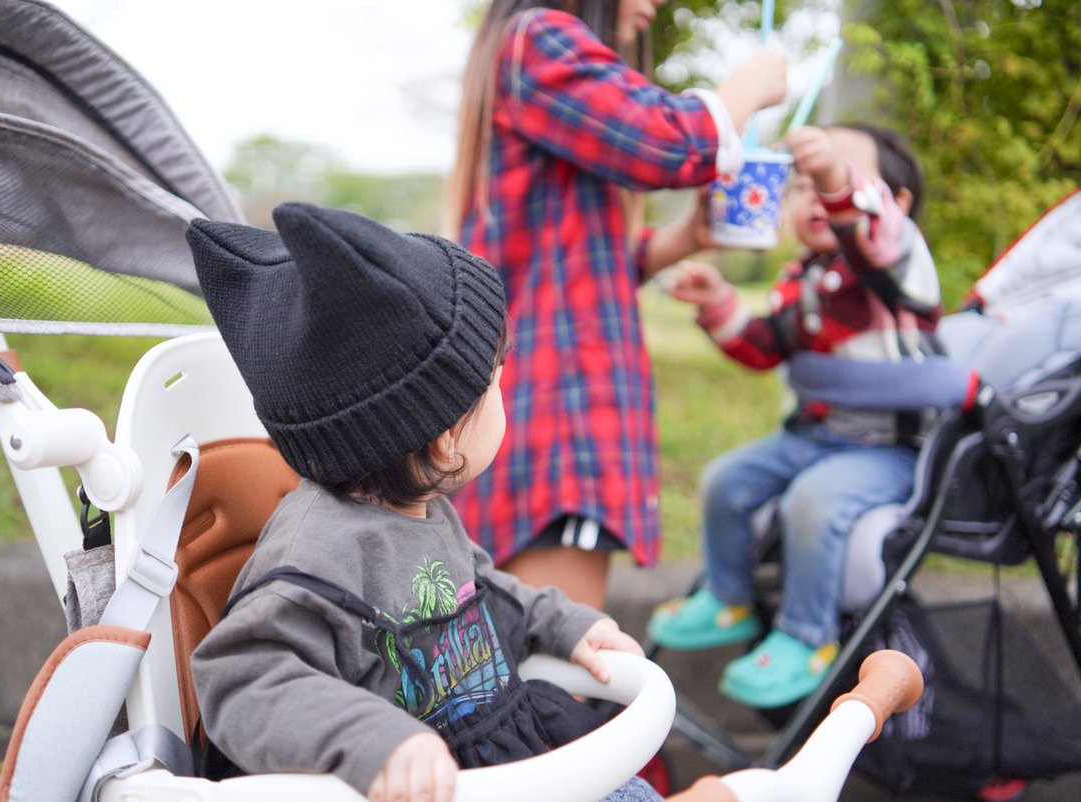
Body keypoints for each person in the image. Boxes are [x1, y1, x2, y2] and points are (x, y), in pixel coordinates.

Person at [187, 203, 660, 802]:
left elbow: (478, 591)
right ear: (445, 439)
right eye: (497, 380)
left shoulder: (419, 507)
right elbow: (242, 680)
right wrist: (370, 739)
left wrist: (562, 624)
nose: (505, 392)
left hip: (502, 759)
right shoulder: (318, 556)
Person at [445, 0, 789, 609]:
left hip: (534, 399)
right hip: (562, 416)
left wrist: (684, 239)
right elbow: (664, 139)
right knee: (560, 653)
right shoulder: (540, 38)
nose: (653, 4)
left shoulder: (522, 51)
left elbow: (569, 263)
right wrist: (750, 85)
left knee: (516, 636)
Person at [647, 123, 945, 708]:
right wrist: (719, 305)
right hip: (813, 436)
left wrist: (835, 178)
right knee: (727, 480)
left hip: (888, 448)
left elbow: (872, 234)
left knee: (813, 500)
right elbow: (766, 347)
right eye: (803, 185)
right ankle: (727, 598)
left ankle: (807, 635)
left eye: (838, 177)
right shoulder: (801, 278)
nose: (818, 194)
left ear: (898, 203)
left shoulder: (899, 263)